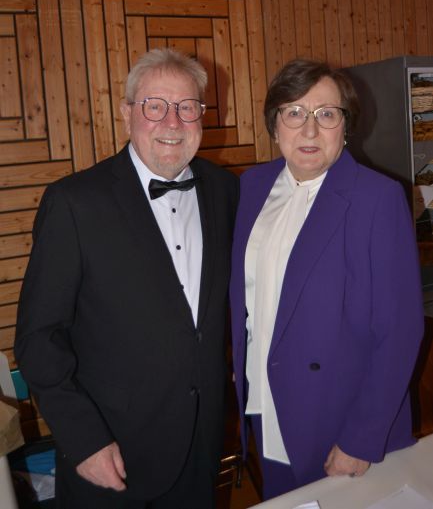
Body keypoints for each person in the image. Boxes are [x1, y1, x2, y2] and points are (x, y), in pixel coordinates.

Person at [15, 48, 239, 509]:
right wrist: (84, 440)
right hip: (111, 451)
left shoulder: (225, 190)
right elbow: (39, 338)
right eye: (155, 106)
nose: (172, 122)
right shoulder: (74, 203)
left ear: (201, 115)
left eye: (187, 106)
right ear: (126, 114)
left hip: (200, 443)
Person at [229, 58, 424, 500]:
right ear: (274, 124)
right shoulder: (251, 187)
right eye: (294, 112)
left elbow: (399, 330)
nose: (310, 130)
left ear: (346, 126)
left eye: (326, 114)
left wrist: (361, 437)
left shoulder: (377, 198)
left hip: (340, 418)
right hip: (268, 402)